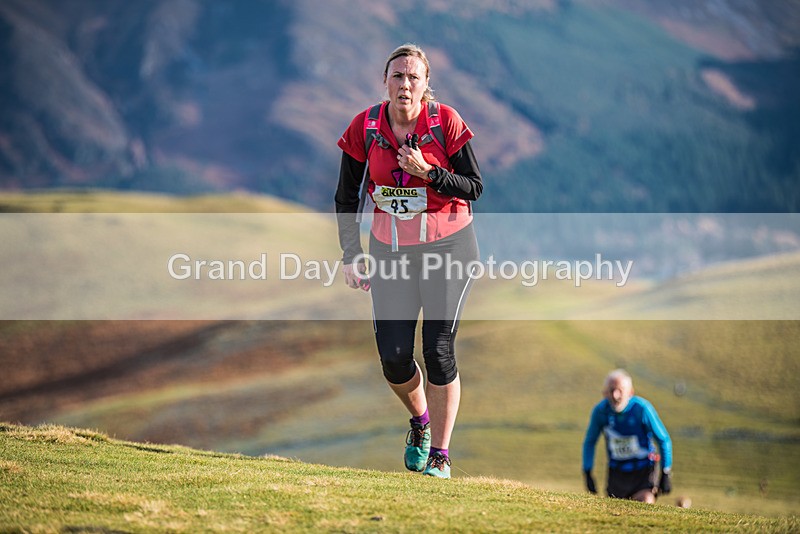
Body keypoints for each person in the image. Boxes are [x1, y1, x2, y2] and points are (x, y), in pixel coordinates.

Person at [334, 43, 482, 479]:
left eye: (413, 77)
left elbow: (475, 186)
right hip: (391, 251)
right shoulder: (366, 126)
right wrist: (351, 255)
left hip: (448, 248)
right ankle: (420, 421)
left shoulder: (446, 122)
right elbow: (347, 196)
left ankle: (440, 454)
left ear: (426, 85)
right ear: (385, 81)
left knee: (438, 352)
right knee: (394, 357)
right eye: (397, 75)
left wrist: (428, 172)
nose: (404, 84)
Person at [582, 369, 673, 502]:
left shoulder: (642, 409)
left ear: (630, 392)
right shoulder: (600, 412)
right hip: (616, 472)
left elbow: (663, 440)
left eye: (620, 390)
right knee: (616, 514)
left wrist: (666, 472)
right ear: (605, 392)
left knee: (645, 504)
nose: (615, 395)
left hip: (643, 470)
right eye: (611, 390)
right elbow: (590, 442)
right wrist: (587, 472)